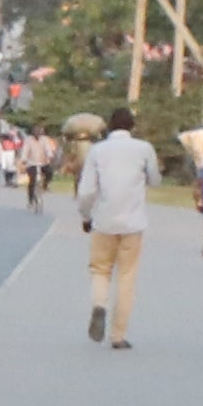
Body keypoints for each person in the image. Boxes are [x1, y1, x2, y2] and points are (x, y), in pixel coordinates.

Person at [71, 109, 158, 347]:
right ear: (132, 126)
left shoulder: (97, 151)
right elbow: (155, 180)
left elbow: (87, 190)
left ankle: (100, 304)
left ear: (108, 126)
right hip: (133, 223)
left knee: (100, 269)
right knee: (127, 277)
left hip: (103, 221)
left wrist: (85, 216)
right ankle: (118, 336)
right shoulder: (144, 149)